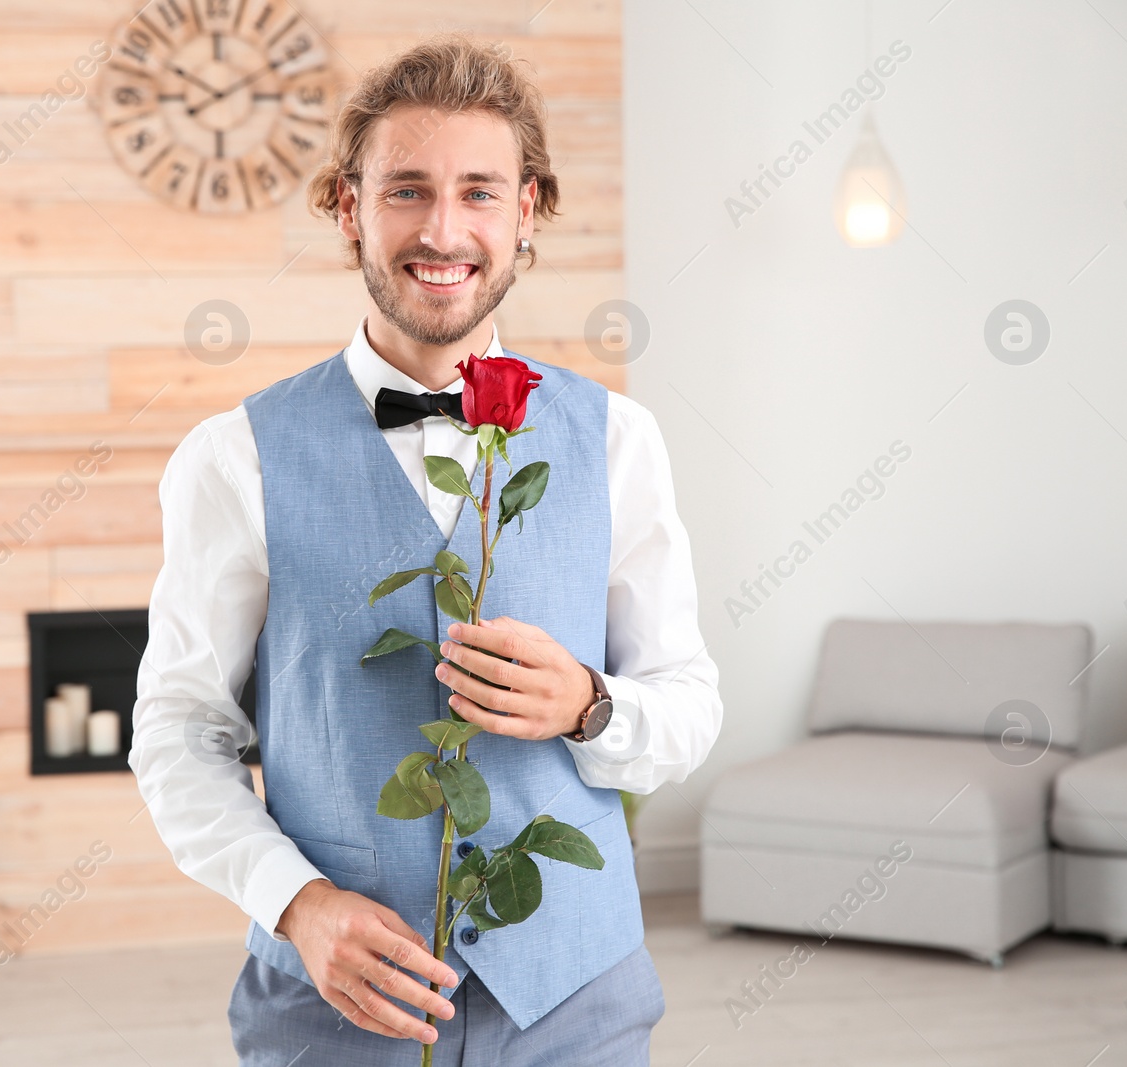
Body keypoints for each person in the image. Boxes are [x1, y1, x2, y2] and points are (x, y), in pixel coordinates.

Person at [128, 32, 722, 1067]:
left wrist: (592, 701)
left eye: (479, 192)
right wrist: (297, 903)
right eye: (405, 190)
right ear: (349, 207)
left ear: (525, 211)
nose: (442, 229)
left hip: (578, 1002)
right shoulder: (232, 458)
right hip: (333, 1010)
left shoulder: (618, 438)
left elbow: (689, 700)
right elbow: (178, 732)